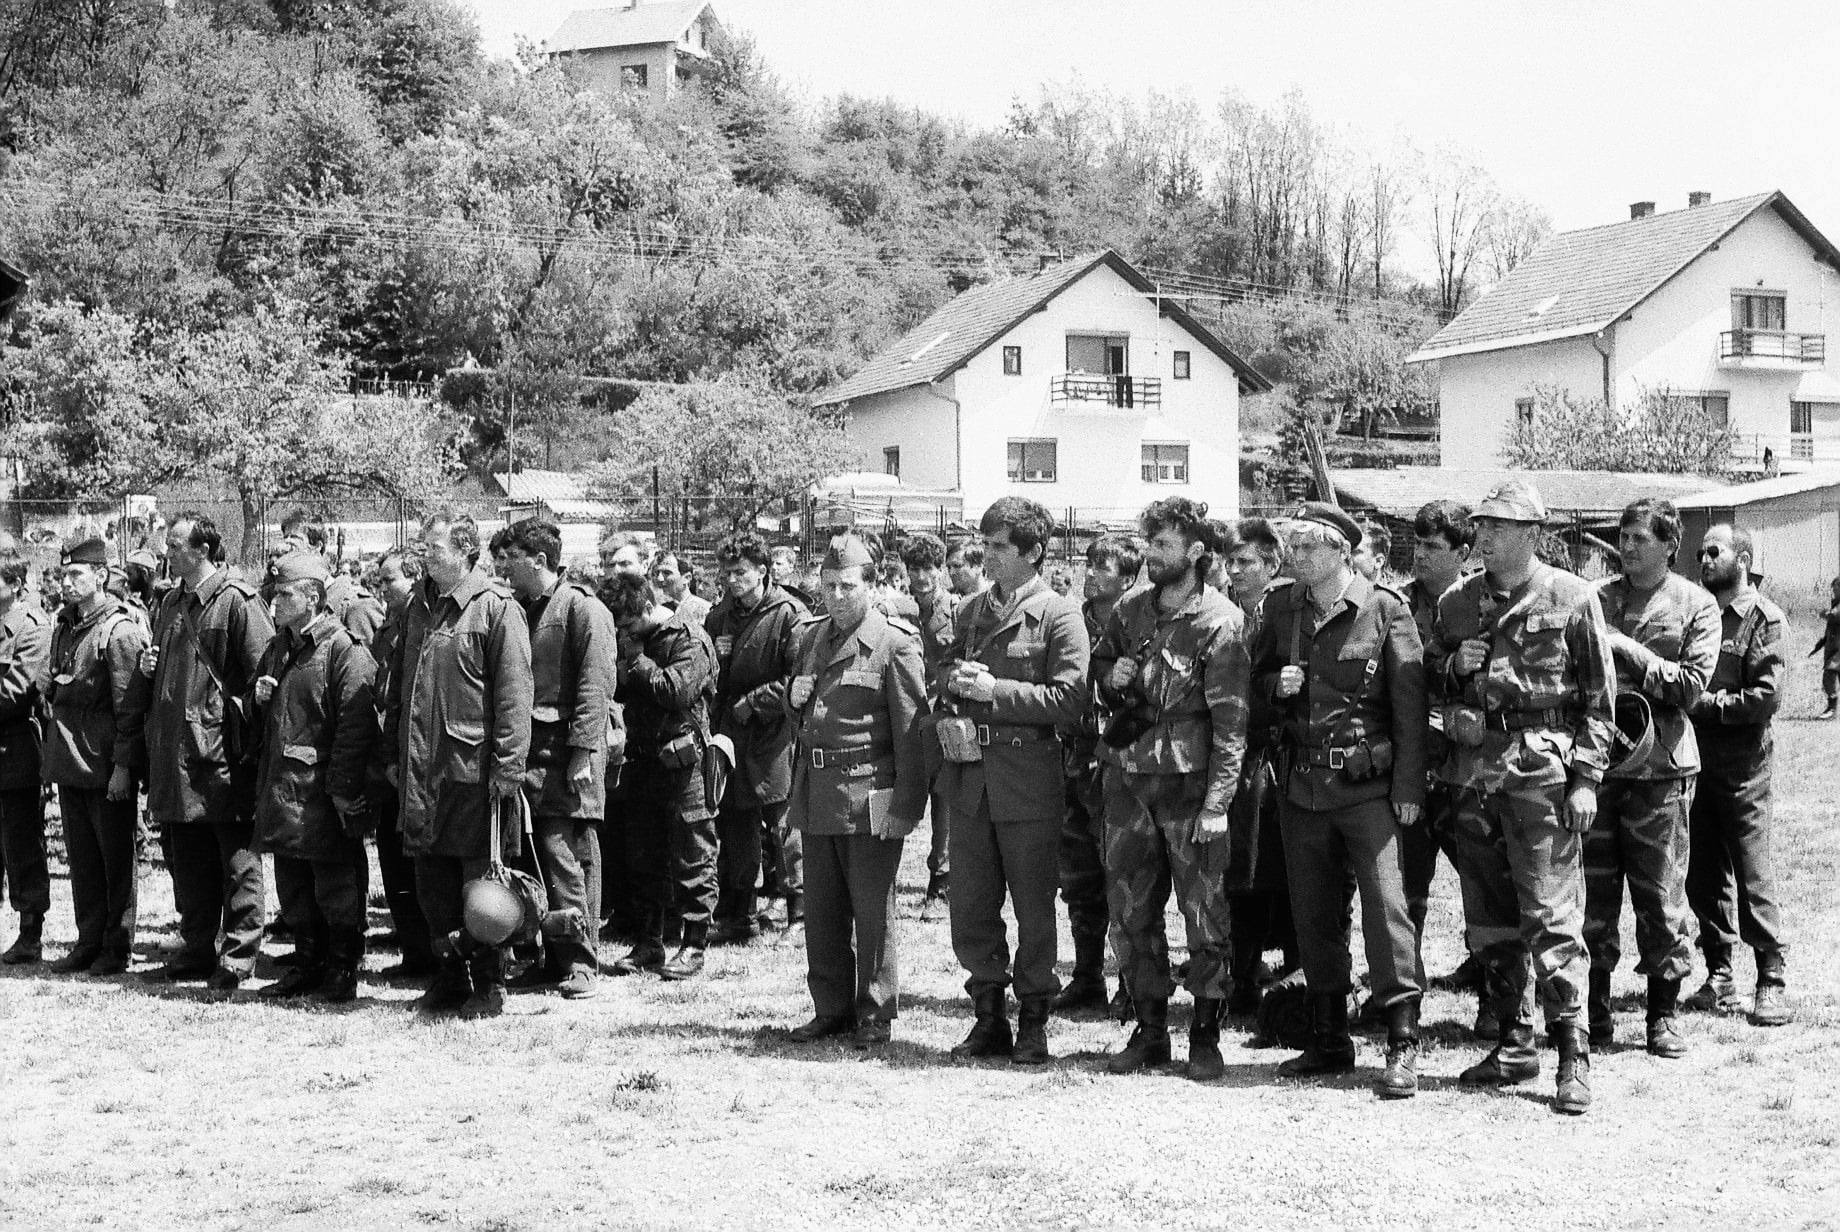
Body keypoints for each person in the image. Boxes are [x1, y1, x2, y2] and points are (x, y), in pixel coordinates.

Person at [1429, 480, 1614, 1116]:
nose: (1483, 534)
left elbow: (1600, 698)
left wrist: (1586, 778)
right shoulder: (1456, 602)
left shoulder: (1571, 595)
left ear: (1532, 533)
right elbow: (1424, 678)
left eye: (1499, 526)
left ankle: (1572, 1054)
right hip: (1475, 776)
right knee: (1490, 916)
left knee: (1552, 917)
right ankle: (1513, 1040)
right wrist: (1455, 667)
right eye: (1481, 523)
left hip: (1542, 777)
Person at [1252, 502, 1427, 1098]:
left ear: (1340, 552)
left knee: (1386, 910)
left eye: (1307, 547)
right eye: (1293, 546)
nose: (1295, 557)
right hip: (1302, 786)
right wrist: (1275, 687)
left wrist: (1407, 790)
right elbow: (1251, 687)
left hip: (1366, 790)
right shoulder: (1281, 609)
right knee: (1314, 912)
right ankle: (1328, 1038)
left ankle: (1401, 1041)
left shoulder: (1384, 611)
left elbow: (1408, 707)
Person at [1091, 499, 1247, 1082]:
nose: (1151, 554)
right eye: (1148, 543)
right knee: (1129, 908)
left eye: (1163, 545)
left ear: (1196, 553)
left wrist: (1218, 804)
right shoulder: (1131, 609)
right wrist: (1113, 677)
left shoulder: (1220, 621)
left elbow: (1232, 723)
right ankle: (1150, 1028)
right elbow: (1101, 673)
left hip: (1189, 785)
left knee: (1203, 910)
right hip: (1128, 780)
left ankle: (1205, 1032)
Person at [938, 498, 1088, 1065]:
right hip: (973, 779)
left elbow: (1070, 699)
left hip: (1028, 780)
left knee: (1032, 907)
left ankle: (1033, 1020)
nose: (987, 554)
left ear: (1032, 553)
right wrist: (952, 694)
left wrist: (994, 692)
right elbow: (942, 674)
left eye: (1000, 546)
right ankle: (988, 1014)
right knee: (972, 905)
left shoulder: (1058, 616)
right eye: (986, 543)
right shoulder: (971, 611)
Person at [382, 509, 533, 1019]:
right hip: (425, 773)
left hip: (472, 775)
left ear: (467, 552)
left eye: (435, 548)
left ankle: (489, 983)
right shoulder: (417, 606)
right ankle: (449, 979)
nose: (425, 556)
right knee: (432, 885)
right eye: (423, 548)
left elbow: (514, 696)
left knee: (480, 887)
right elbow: (400, 688)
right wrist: (394, 757)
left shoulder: (495, 609)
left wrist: (507, 768)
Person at [1583, 500, 1719, 1056]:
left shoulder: (1697, 605)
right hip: (1598, 766)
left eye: (1641, 537)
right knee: (1591, 896)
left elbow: (1690, 688)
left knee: (1661, 895)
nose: (1629, 545)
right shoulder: (1596, 598)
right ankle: (1592, 1012)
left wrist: (1628, 651)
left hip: (1660, 772)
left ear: (1669, 544)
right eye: (1624, 536)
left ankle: (1661, 1016)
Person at [783, 535, 928, 1047]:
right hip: (817, 792)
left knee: (872, 912)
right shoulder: (811, 638)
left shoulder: (895, 643)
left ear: (871, 585)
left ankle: (875, 1011)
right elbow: (809, 714)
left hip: (870, 795)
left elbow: (914, 734)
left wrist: (906, 808)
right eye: (828, 585)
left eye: (848, 585)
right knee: (820, 911)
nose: (837, 595)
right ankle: (831, 1007)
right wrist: (790, 698)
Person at [142, 512, 276, 992]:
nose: (168, 552)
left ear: (203, 550)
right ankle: (197, 946)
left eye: (176, 545)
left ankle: (239, 956)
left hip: (222, 756)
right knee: (189, 861)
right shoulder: (170, 602)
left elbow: (266, 673)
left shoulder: (238, 603)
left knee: (237, 861)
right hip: (177, 755)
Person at [250, 551, 379, 1004]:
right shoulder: (280, 646)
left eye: (283, 595)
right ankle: (307, 962)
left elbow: (357, 725)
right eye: (273, 595)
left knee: (335, 886)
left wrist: (343, 790)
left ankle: (341, 968)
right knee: (294, 885)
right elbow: (264, 714)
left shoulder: (342, 649)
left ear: (312, 596)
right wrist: (259, 697)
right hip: (284, 790)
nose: (275, 604)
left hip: (323, 794)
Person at [499, 518, 618, 999]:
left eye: (513, 557)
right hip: (532, 753)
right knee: (540, 860)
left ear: (540, 560)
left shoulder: (582, 609)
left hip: (567, 756)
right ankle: (552, 960)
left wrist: (583, 753)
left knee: (569, 858)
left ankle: (582, 962)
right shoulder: (524, 609)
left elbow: (596, 687)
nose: (504, 566)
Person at [1685, 524, 1792, 1027]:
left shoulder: (1763, 619)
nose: (1704, 560)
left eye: (1714, 551)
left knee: (1752, 870)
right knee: (1703, 874)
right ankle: (1719, 973)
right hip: (1697, 763)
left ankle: (1771, 977)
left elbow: (1765, 697)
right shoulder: (1701, 615)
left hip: (1743, 765)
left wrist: (1707, 706)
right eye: (1702, 552)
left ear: (1742, 558)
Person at [602, 572, 720, 981]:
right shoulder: (635, 641)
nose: (624, 633)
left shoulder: (688, 639)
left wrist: (634, 660)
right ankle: (649, 941)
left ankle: (694, 944)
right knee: (644, 858)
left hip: (682, 764)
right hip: (642, 762)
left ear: (649, 610)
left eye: (629, 625)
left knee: (693, 854)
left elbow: (676, 690)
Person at [37, 539, 147, 974]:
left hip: (103, 765)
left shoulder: (118, 631)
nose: (65, 583)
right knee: (82, 860)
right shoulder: (66, 626)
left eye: (75, 575)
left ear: (101, 576)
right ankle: (88, 939)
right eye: (63, 575)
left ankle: (115, 945)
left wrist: (123, 766)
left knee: (115, 860)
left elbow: (129, 706)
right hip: (69, 760)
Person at [1399, 499, 1485, 1030]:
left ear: (1463, 552)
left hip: (1471, 769)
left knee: (1484, 881)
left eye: (1433, 547)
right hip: (1412, 767)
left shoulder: (1481, 603)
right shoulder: (1394, 606)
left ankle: (1493, 988)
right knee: (1406, 889)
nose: (1421, 556)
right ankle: (1404, 994)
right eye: (1417, 545)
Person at [1055, 533, 1142, 1014]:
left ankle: (1134, 980)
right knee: (1080, 877)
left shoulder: (1138, 627)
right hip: (1073, 759)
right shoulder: (1072, 622)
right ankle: (1087, 976)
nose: (1090, 573)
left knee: (1126, 877)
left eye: (1102, 567)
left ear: (1127, 579)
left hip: (1119, 765)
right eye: (1089, 564)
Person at [705, 534, 807, 944]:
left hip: (775, 733)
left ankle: (799, 913)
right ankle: (740, 914)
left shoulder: (790, 615)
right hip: (731, 735)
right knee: (735, 825)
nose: (732, 581)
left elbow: (798, 679)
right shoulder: (720, 618)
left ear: (763, 572)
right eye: (727, 573)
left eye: (741, 572)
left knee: (784, 826)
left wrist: (756, 702)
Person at [1220, 517, 1301, 1010]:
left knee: (1293, 873)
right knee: (1240, 871)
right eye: (1230, 562)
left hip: (1279, 755)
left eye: (1246, 561)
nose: (1236, 571)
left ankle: (1297, 982)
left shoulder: (1289, 615)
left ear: (1273, 564)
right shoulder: (1226, 615)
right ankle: (1244, 976)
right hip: (1238, 759)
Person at [368, 547, 436, 977]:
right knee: (393, 860)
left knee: (416, 863)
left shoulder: (423, 622)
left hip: (419, 760)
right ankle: (413, 951)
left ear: (413, 577)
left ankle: (428, 952)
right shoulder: (390, 625)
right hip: (391, 756)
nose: (382, 589)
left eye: (389, 580)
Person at [899, 532, 957, 917]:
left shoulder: (956, 610)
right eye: (914, 568)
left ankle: (942, 883)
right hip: (903, 715)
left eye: (929, 568)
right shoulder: (899, 610)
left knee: (944, 802)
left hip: (940, 715)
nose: (921, 576)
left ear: (941, 570)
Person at [0, 552, 51, 965]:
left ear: (15, 584)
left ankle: (30, 932)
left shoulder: (31, 630)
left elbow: (17, 691)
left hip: (14, 752)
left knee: (21, 844)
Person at [276, 510, 385, 648]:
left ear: (317, 547)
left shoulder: (355, 606)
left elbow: (367, 665)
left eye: (295, 538)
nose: (286, 545)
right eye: (285, 538)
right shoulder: (290, 600)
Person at [653, 551, 711, 629]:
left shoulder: (704, 610)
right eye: (657, 573)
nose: (659, 579)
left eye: (667, 573)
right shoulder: (661, 610)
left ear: (687, 578)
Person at [1810, 577, 1840, 719]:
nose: (1833, 591)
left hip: (1838, 652)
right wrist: (1821, 643)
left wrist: (1825, 613)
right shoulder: (1835, 604)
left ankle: (1832, 708)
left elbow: (1835, 616)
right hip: (1833, 648)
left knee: (1828, 676)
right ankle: (1832, 707)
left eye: (1836, 588)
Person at [769, 545, 818, 613]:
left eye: (779, 564)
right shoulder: (765, 590)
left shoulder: (799, 594)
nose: (773, 567)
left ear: (790, 567)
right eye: (771, 563)